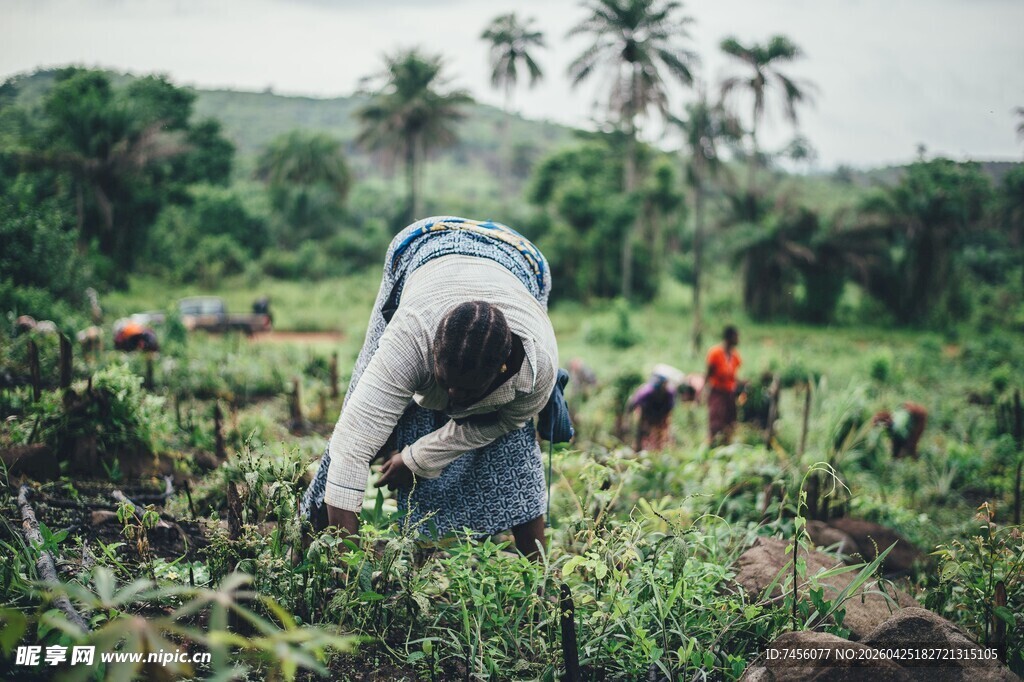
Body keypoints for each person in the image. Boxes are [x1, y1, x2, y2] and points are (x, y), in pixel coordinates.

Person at [301, 216, 558, 558]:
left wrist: (417, 459)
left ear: (503, 370)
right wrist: (347, 564)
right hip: (424, 245)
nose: (453, 401)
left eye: (466, 393)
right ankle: (310, 538)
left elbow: (500, 423)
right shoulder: (410, 336)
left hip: (522, 260)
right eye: (445, 384)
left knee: (513, 447)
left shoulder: (536, 371)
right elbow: (353, 444)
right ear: (431, 352)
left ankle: (538, 581)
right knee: (359, 408)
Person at [702, 326, 741, 443]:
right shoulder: (715, 353)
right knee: (716, 420)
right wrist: (704, 390)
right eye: (736, 336)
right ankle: (712, 443)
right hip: (717, 391)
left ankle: (726, 444)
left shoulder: (735, 356)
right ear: (729, 338)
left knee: (729, 421)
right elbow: (708, 373)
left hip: (729, 393)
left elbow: (734, 375)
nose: (738, 339)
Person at [627, 373, 676, 451]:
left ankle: (658, 450)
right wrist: (628, 419)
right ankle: (638, 449)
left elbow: (669, 408)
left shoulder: (669, 392)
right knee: (642, 431)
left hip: (660, 413)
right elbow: (634, 403)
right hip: (646, 413)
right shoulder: (646, 392)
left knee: (660, 433)